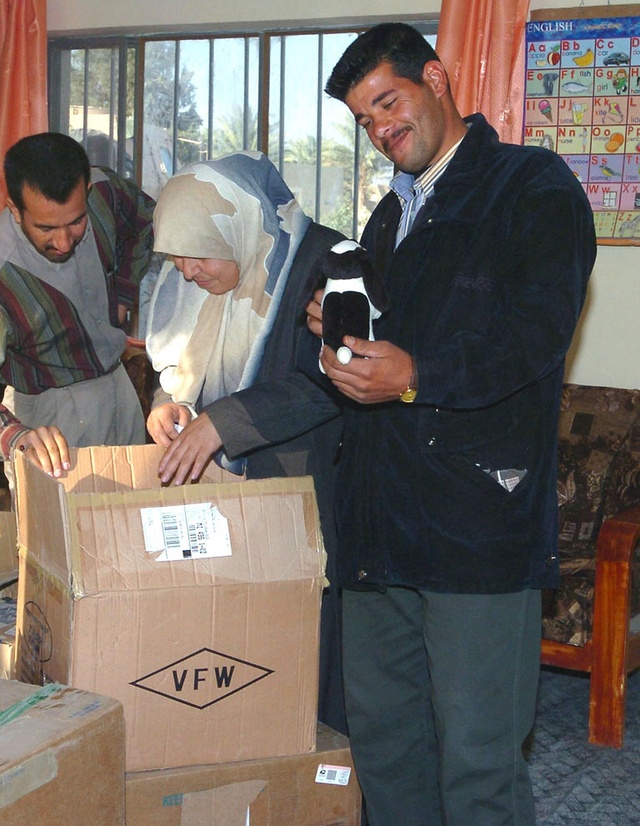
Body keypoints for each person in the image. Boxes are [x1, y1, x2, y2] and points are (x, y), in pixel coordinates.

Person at [302, 23, 596, 826]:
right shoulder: (387, 218)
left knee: (478, 762)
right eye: (364, 119)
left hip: (474, 525)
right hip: (377, 521)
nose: (380, 129)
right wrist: (340, 338)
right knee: (389, 748)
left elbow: (533, 336)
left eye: (388, 103)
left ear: (437, 77)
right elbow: (390, 342)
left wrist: (415, 374)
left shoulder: (532, 186)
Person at [145, 150, 349, 734]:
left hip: (306, 490)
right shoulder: (201, 277)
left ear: (238, 226)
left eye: (196, 253)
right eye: (175, 255)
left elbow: (329, 383)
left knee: (304, 647)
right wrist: (172, 407)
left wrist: (222, 423)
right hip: (227, 493)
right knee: (231, 652)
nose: (185, 270)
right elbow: (183, 363)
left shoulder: (324, 265)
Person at [0, 132, 156, 476]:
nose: (64, 243)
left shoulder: (105, 193)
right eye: (46, 228)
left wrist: (123, 292)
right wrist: (15, 436)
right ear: (15, 210)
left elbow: (148, 223)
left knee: (133, 520)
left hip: (119, 389)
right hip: (48, 418)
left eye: (76, 222)